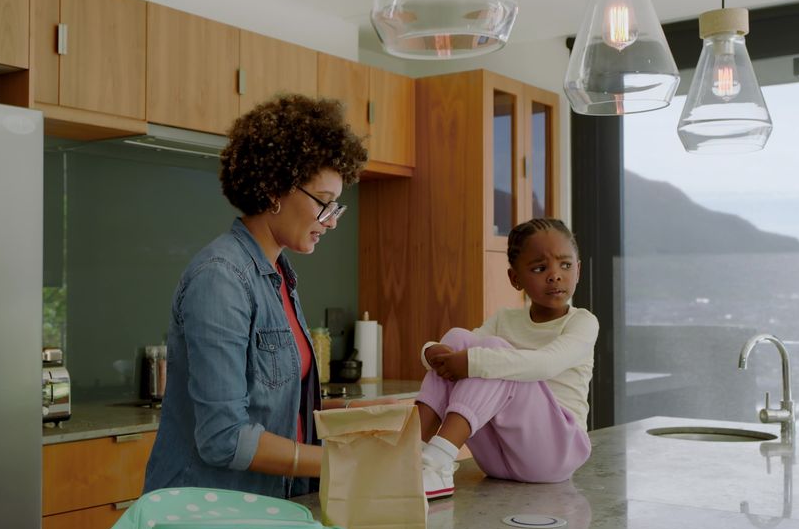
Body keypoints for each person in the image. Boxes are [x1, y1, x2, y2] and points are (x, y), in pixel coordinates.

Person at [143, 94, 382, 499]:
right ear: (274, 188)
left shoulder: (277, 277)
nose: (331, 221)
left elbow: (281, 409)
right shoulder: (221, 278)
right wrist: (338, 461)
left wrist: (364, 424)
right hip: (207, 515)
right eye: (324, 203)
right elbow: (224, 437)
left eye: (335, 207)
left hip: (264, 507)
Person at [415, 218, 599, 499]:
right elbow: (460, 352)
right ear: (516, 279)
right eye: (539, 268)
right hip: (499, 460)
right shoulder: (505, 319)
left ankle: (436, 459)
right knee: (458, 337)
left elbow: (544, 364)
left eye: (565, 265)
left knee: (494, 355)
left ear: (579, 270)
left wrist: (471, 362)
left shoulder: (583, 322)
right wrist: (430, 351)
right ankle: (409, 450)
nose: (555, 275)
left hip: (556, 454)